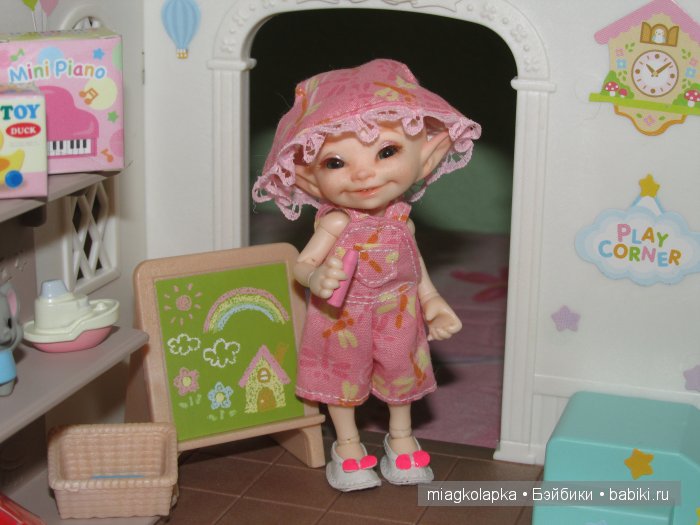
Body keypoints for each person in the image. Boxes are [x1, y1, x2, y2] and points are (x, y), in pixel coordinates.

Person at [253, 59, 480, 491]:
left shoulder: (401, 221)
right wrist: (315, 279)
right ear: (310, 179)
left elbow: (414, 266)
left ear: (424, 155)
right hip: (343, 316)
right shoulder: (337, 223)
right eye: (336, 162)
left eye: (387, 152)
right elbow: (303, 264)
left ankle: (401, 437)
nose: (362, 174)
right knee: (343, 377)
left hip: (398, 311)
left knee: (401, 373)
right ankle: (348, 445)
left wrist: (432, 301)